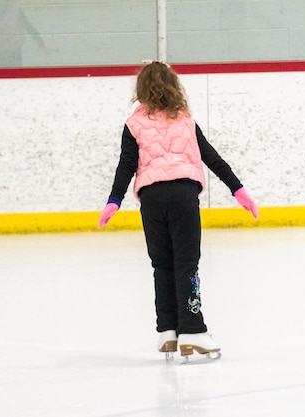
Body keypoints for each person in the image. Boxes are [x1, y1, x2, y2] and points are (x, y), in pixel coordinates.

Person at [98, 61, 258, 360]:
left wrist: (114, 200)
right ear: (174, 85)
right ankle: (193, 330)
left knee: (162, 264)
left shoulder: (133, 124)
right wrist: (238, 190)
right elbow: (212, 157)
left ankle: (167, 331)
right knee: (187, 264)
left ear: (141, 88)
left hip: (152, 198)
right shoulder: (184, 119)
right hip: (183, 195)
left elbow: (126, 164)